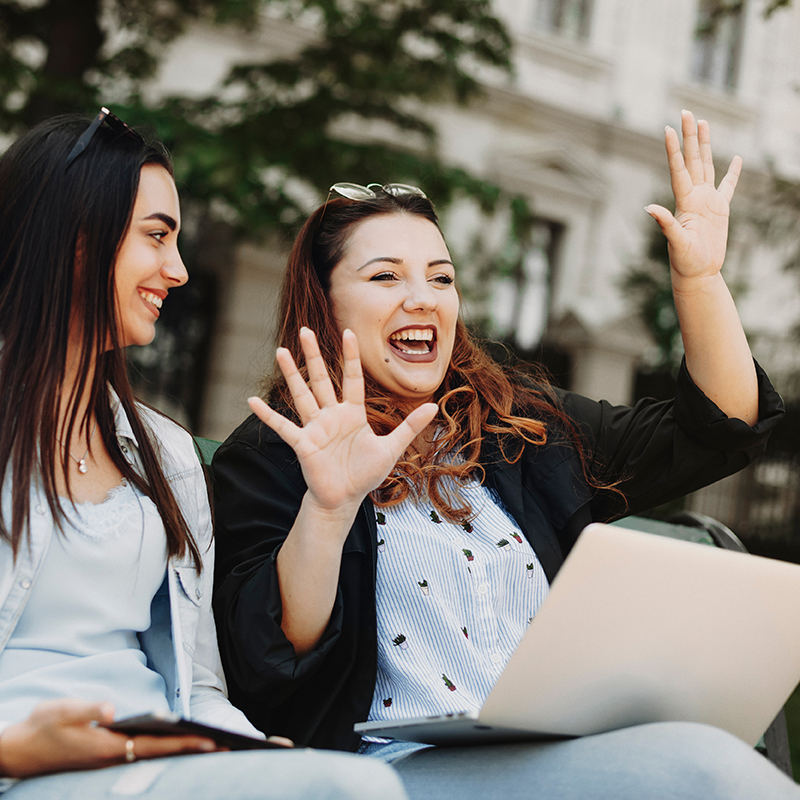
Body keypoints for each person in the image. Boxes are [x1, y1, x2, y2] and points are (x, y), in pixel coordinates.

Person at [211, 111, 796, 799]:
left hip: (549, 757)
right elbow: (269, 662)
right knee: (704, 767)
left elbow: (720, 429)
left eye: (440, 277)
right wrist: (329, 508)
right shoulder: (276, 453)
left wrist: (699, 280)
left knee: (702, 754)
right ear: (325, 302)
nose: (422, 298)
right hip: (390, 774)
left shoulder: (515, 427)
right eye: (385, 278)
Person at [0, 110, 408, 800]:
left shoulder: (165, 453)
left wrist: (250, 753)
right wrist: (16, 750)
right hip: (31, 770)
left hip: (155, 758)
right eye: (156, 237)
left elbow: (199, 683)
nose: (178, 270)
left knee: (348, 785)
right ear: (73, 237)